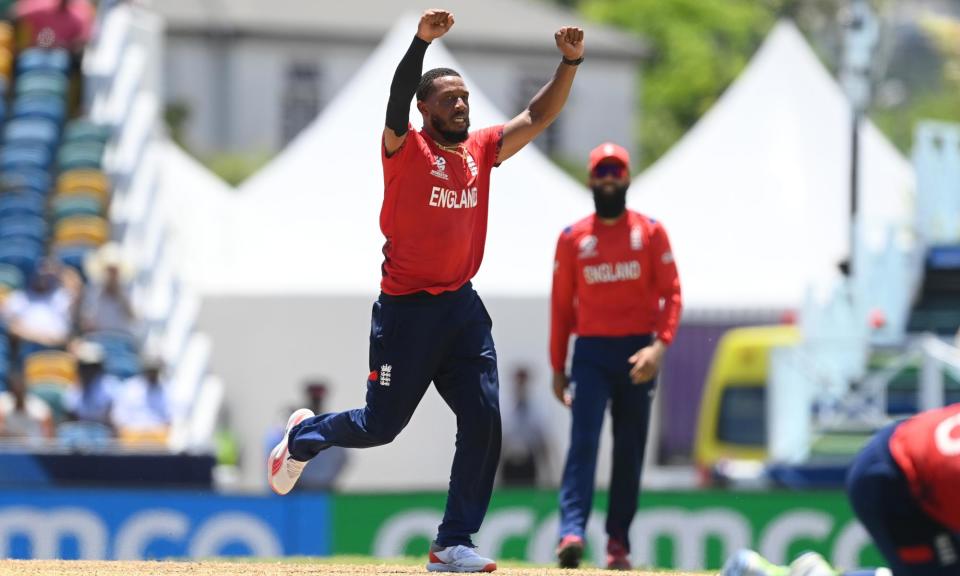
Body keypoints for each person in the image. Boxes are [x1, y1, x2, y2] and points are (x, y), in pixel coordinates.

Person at [267, 9, 584, 573]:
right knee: (379, 426)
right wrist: (419, 43)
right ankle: (303, 437)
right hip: (407, 312)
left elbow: (538, 114)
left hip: (462, 307)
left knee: (485, 419)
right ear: (425, 110)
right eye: (448, 99)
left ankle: (451, 543)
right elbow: (394, 99)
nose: (461, 105)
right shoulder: (405, 150)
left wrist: (569, 62)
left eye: (464, 97)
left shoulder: (482, 151)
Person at [550, 142, 682, 570]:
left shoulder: (651, 232)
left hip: (636, 353)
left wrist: (658, 348)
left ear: (627, 178)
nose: (609, 178)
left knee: (629, 450)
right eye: (601, 171)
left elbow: (673, 294)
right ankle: (571, 532)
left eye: (616, 171)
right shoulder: (573, 239)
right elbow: (561, 306)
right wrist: (557, 365)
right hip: (590, 354)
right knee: (583, 444)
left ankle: (618, 544)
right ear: (590, 180)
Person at [499, 366, 551, 487]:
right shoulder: (504, 408)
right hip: (509, 462)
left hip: (529, 462)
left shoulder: (537, 410)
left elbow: (543, 442)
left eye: (523, 381)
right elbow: (499, 441)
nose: (520, 385)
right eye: (518, 381)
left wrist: (549, 475)